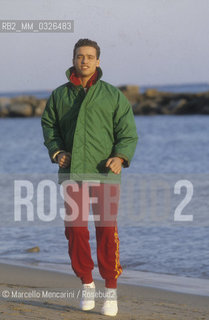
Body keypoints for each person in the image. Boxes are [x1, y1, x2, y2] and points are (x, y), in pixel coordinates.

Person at [41, 38, 138, 316]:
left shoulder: (112, 95)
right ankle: (86, 283)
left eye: (89, 57)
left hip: (105, 175)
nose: (84, 60)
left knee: (107, 231)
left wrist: (120, 157)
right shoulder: (60, 95)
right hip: (72, 174)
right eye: (79, 56)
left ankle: (110, 289)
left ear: (98, 62)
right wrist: (56, 150)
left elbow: (128, 132)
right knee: (75, 230)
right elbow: (49, 126)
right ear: (73, 59)